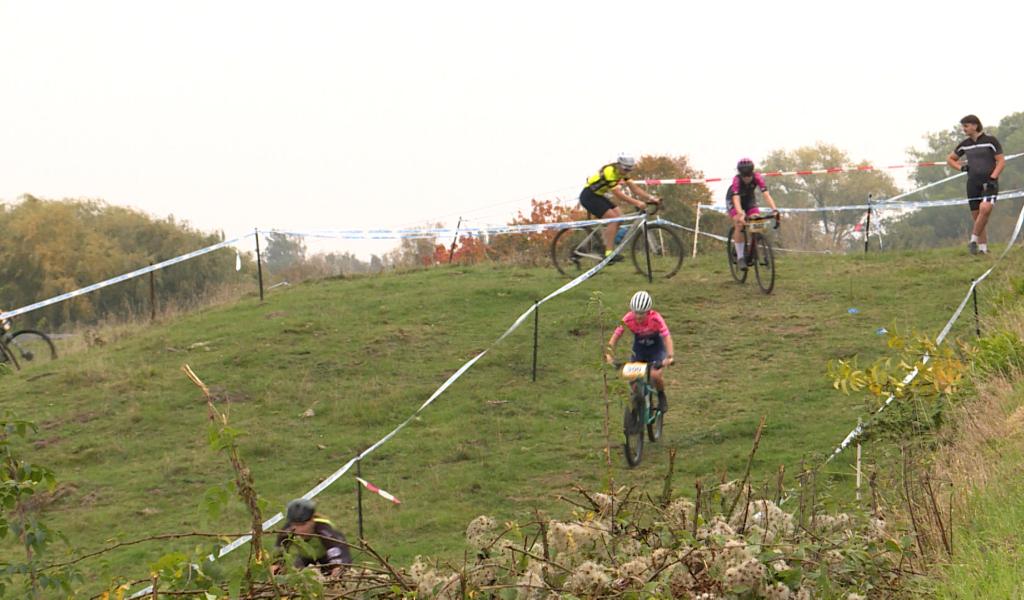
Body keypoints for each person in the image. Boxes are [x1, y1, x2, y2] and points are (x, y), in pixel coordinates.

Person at [604, 290, 675, 413]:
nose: (638, 316)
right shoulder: (627, 319)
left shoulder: (656, 319)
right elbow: (615, 337)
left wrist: (669, 356)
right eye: (635, 312)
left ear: (648, 312)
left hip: (656, 349)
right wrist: (609, 354)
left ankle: (661, 396)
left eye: (642, 313)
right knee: (633, 379)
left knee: (655, 375)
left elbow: (666, 337)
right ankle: (638, 406)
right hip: (639, 349)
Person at [579, 155, 661, 261]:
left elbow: (635, 189)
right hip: (588, 197)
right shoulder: (610, 171)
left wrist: (651, 197)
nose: (627, 171)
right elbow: (618, 194)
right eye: (625, 168)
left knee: (620, 218)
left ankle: (604, 245)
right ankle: (609, 254)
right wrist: (637, 202)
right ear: (619, 165)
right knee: (613, 220)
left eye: (630, 169)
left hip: (598, 196)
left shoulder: (622, 173)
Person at [946, 115, 1005, 255]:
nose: (964, 129)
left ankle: (973, 240)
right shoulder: (965, 144)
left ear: (975, 125)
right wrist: (961, 168)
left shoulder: (991, 141)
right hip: (972, 183)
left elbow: (1001, 161)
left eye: (966, 126)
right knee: (977, 216)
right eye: (963, 126)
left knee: (985, 209)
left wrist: (993, 177)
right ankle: (983, 249)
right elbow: (950, 159)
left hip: (989, 183)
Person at [274, 498, 352, 575]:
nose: (299, 530)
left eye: (303, 524)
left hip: (327, 559)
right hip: (305, 560)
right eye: (295, 525)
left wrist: (336, 573)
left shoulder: (324, 528)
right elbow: (277, 558)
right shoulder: (287, 530)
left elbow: (340, 559)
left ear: (312, 520)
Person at [728, 158, 780, 269]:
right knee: (739, 223)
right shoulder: (736, 180)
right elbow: (736, 199)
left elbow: (766, 195)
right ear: (740, 174)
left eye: (749, 175)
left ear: (752, 172)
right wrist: (740, 214)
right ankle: (740, 256)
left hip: (749, 200)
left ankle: (754, 247)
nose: (746, 178)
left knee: (756, 221)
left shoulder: (757, 177)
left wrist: (775, 210)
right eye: (744, 176)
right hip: (734, 200)